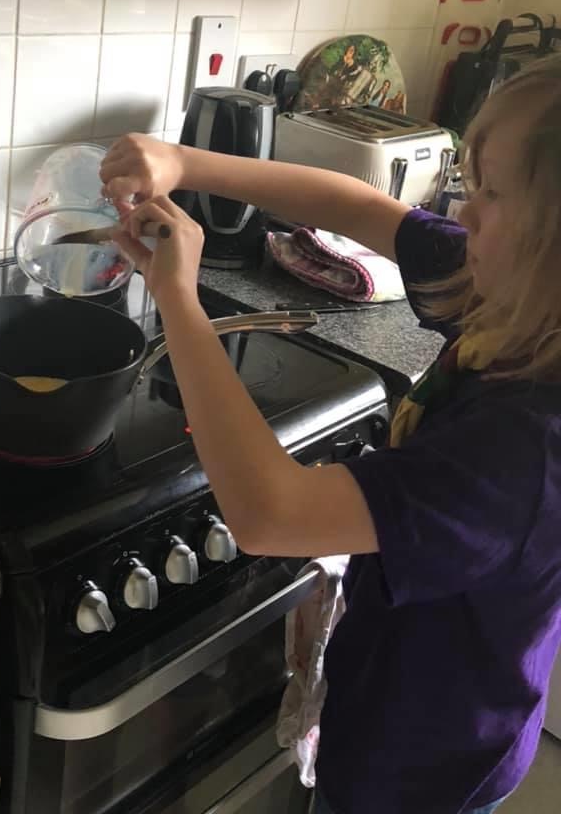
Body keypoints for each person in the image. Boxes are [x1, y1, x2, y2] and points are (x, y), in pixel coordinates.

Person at [98, 56, 561, 814]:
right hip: (388, 705)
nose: (463, 214)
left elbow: (269, 513)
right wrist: (184, 162)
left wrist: (178, 296)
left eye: (493, 194)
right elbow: (358, 208)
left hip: (426, 771)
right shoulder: (515, 296)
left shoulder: (528, 451)